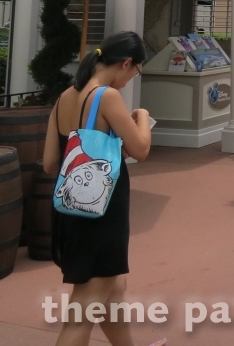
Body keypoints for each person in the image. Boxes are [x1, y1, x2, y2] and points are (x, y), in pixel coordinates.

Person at [43, 31, 153, 346]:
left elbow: (50, 162)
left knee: (113, 290)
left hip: (69, 209)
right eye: (136, 71)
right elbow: (141, 149)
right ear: (127, 63)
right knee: (81, 316)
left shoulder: (64, 97)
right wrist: (142, 117)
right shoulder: (106, 96)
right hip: (101, 216)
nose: (132, 78)